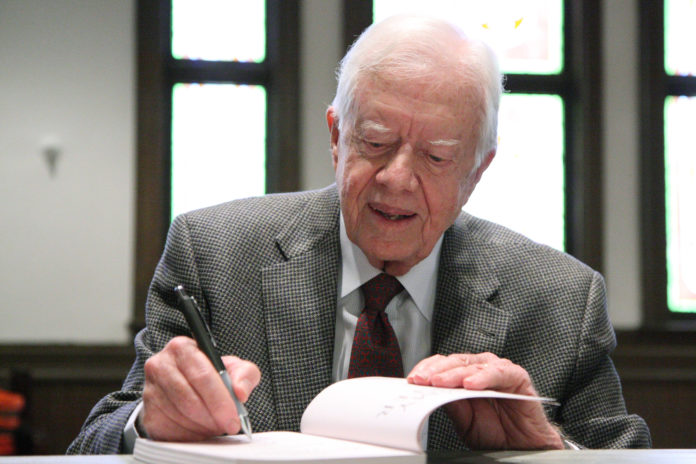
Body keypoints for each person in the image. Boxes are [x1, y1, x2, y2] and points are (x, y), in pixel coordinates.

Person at [68, 15, 650, 454]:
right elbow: (91, 443)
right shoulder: (214, 253)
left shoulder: (560, 300)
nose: (397, 179)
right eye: (373, 142)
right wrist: (146, 429)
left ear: (477, 170)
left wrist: (547, 450)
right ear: (335, 136)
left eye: (437, 157)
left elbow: (623, 456)